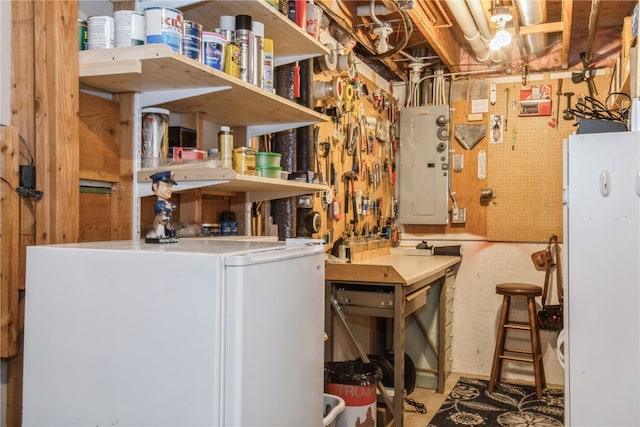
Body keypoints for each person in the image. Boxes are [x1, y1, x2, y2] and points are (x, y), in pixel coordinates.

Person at [147, 170, 177, 239]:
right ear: (155, 187)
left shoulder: (168, 203)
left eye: (171, 187)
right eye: (167, 186)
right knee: (160, 231)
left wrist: (171, 207)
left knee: (171, 233)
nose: (170, 190)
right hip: (161, 223)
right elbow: (161, 209)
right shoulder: (158, 204)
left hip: (168, 223)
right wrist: (169, 208)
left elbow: (173, 207)